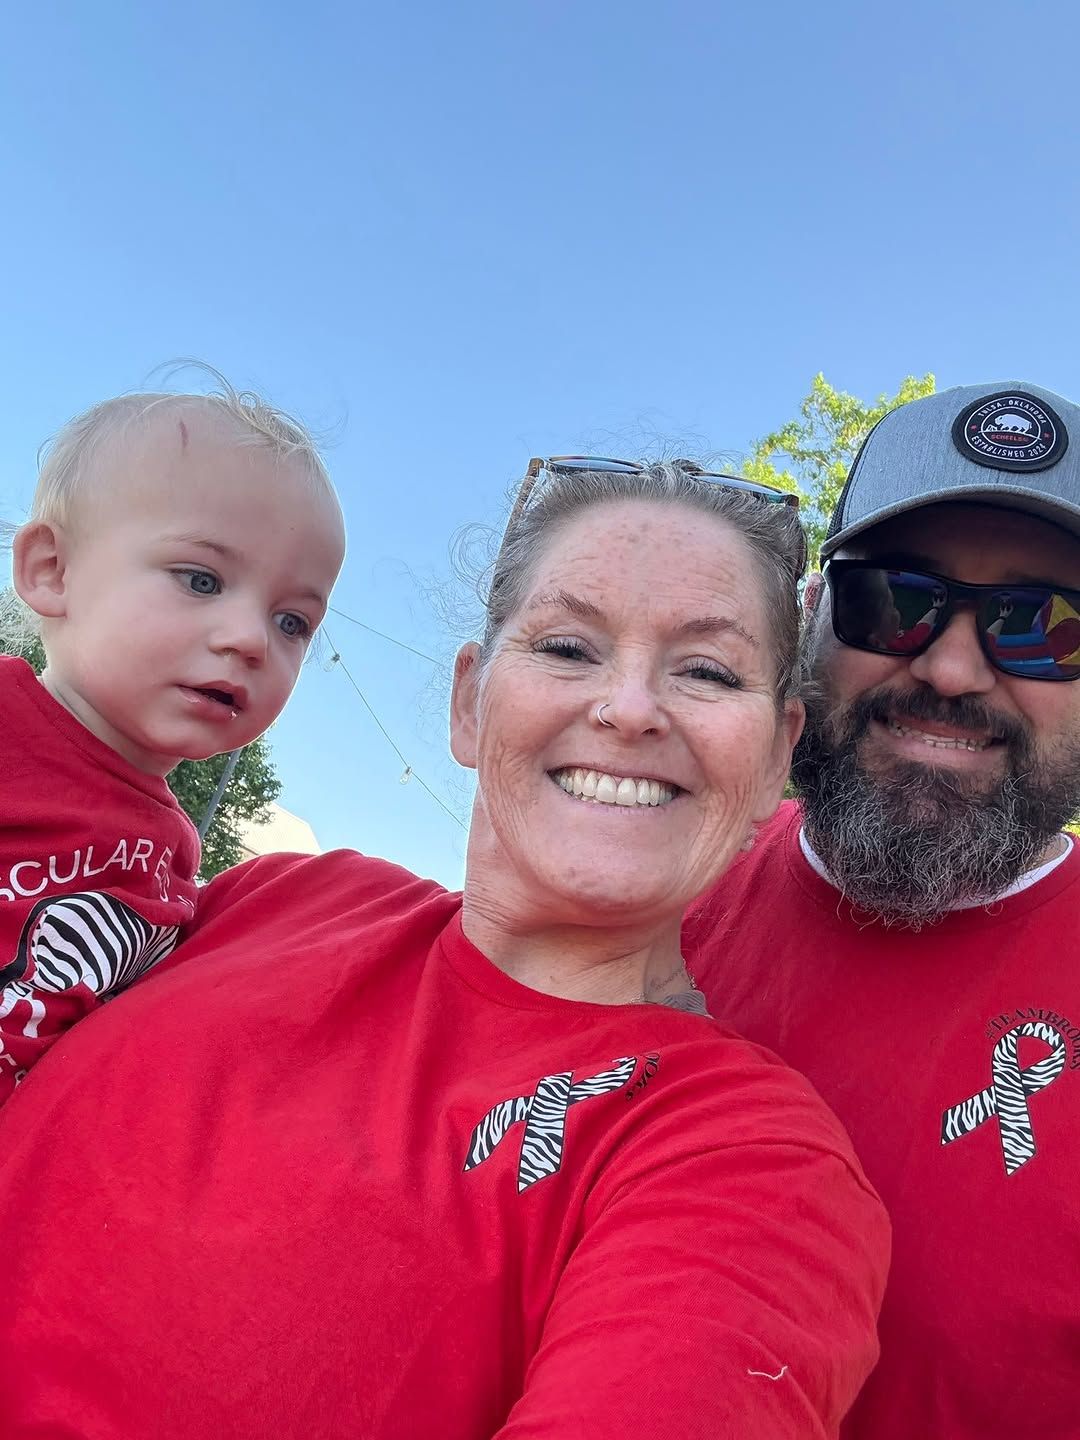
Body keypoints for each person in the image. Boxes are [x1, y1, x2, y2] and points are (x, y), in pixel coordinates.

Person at [0, 458, 889, 1438]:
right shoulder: (273, 898)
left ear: (774, 758)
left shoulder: (748, 1163)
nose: (630, 708)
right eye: (568, 647)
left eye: (708, 671)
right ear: (470, 703)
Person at [685, 383, 1080, 1439]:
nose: (950, 668)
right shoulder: (653, 892)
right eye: (893, 601)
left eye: (1043, 627)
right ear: (812, 618)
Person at [0, 380, 346, 1098]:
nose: (250, 639)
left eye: (292, 622)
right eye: (201, 580)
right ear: (52, 571)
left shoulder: (172, 852)